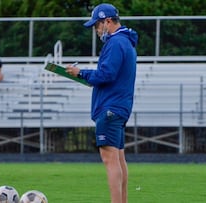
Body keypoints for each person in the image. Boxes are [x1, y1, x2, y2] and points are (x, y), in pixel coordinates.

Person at [66, 3, 138, 203]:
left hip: (110, 108)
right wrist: (90, 77)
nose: (97, 31)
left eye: (97, 25)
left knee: (110, 160)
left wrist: (80, 72)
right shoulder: (126, 42)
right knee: (119, 159)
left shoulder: (115, 43)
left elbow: (106, 74)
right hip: (119, 107)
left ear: (107, 21)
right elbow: (111, 76)